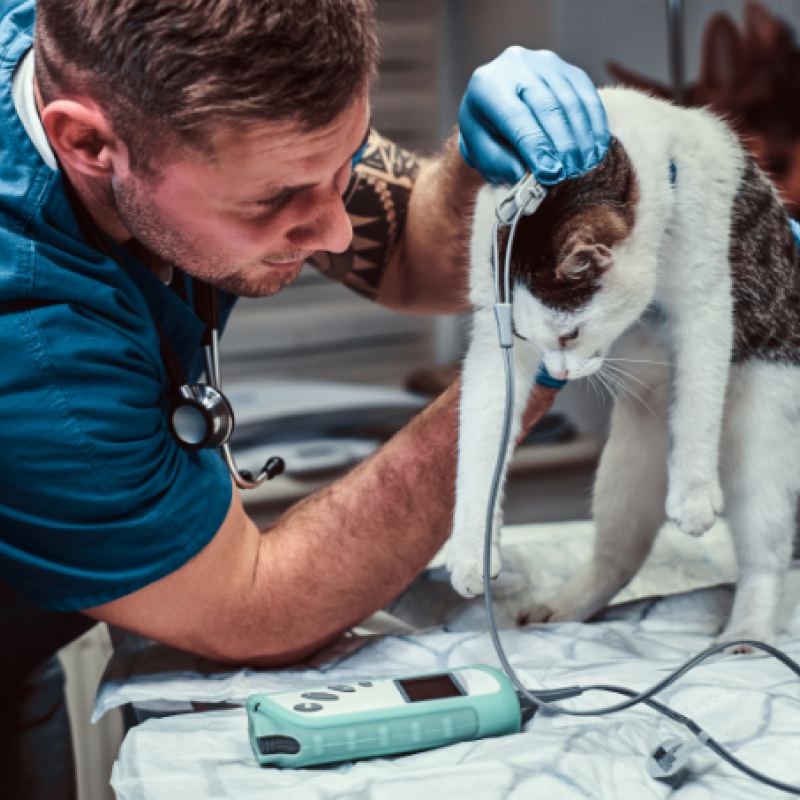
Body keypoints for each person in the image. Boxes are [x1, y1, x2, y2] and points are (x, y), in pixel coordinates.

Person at [0, 1, 610, 797]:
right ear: (86, 144)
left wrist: (471, 167)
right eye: (271, 202)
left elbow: (403, 261)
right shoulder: (33, 338)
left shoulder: (120, 70)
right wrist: (522, 372)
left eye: (344, 165)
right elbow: (255, 608)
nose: (331, 231)